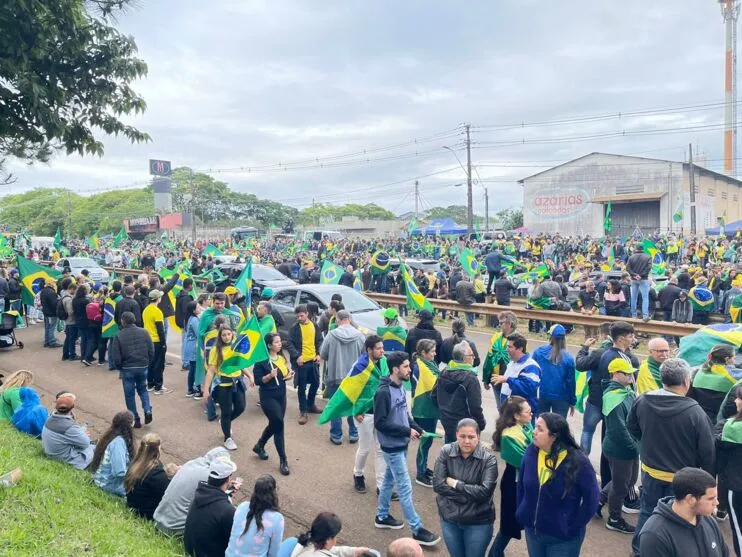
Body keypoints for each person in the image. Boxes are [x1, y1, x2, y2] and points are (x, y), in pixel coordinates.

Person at [628, 358, 717, 556]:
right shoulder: (695, 412)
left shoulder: (642, 400)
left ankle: (639, 550)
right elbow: (707, 452)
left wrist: (648, 445)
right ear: (686, 381)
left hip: (650, 472)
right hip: (682, 479)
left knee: (647, 511)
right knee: (680, 519)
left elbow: (632, 427)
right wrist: (709, 481)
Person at [374, 351, 440, 547]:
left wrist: (417, 428)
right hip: (392, 447)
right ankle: (417, 529)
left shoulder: (400, 387)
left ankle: (382, 516)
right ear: (395, 369)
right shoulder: (384, 392)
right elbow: (380, 423)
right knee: (404, 487)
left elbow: (404, 414)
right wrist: (406, 431)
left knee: (388, 481)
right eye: (405, 366)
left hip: (401, 444)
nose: (409, 369)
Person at [516, 413, 600, 557]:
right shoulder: (531, 452)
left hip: (562, 538)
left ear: (554, 436)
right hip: (533, 532)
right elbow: (521, 487)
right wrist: (523, 511)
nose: (534, 431)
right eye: (535, 427)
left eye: (540, 429)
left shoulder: (578, 461)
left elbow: (591, 499)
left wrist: (572, 527)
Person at [433, 418, 498, 557]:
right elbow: (438, 485)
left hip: (478, 522)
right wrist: (466, 497)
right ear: (456, 434)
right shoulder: (446, 451)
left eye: (471, 437)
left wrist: (456, 484)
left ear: (478, 437)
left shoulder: (489, 459)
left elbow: (485, 492)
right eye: (462, 436)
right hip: (450, 518)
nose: (467, 441)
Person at [638, 467, 730, 557]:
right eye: (711, 498)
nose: (717, 502)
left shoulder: (709, 521)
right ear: (690, 499)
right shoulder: (654, 536)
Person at [599, 358, 640, 535]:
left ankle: (598, 499)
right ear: (616, 374)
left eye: (632, 372)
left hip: (630, 448)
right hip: (620, 449)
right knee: (621, 486)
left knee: (628, 481)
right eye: (627, 373)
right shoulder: (613, 397)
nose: (632, 376)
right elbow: (618, 430)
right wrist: (634, 447)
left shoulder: (626, 390)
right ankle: (614, 519)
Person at [154, 447, 233, 536]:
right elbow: (217, 502)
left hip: (158, 519)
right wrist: (229, 491)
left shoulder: (191, 463)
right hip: (174, 528)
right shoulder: (209, 476)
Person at [490, 396, 533, 557]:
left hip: (523, 481)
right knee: (509, 525)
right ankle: (495, 554)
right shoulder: (509, 436)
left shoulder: (525, 426)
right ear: (516, 415)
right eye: (528, 411)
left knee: (524, 522)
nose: (531, 414)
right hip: (514, 484)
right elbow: (525, 462)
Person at [204, 325, 255, 451]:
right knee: (226, 411)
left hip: (237, 382)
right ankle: (227, 438)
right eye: (224, 335)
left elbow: (240, 364)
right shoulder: (216, 350)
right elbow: (211, 371)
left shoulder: (235, 347)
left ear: (232, 334)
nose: (227, 337)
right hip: (223, 385)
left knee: (241, 407)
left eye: (228, 334)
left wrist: (250, 375)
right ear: (220, 337)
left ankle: (225, 422)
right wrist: (206, 390)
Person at [320, 310, 365, 445]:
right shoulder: (360, 336)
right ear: (350, 319)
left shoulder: (331, 335)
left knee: (336, 406)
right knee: (352, 405)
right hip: (354, 378)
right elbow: (365, 356)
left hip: (335, 375)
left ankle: (336, 435)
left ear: (338, 320)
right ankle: (353, 433)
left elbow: (323, 354)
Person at [252, 332, 293, 476]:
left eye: (280, 341)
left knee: (275, 424)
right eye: (276, 342)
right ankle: (283, 460)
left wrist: (288, 376)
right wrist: (269, 376)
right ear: (269, 345)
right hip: (268, 397)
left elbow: (284, 376)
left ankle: (260, 445)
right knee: (279, 425)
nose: (279, 344)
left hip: (281, 395)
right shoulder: (262, 361)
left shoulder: (281, 358)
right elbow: (257, 380)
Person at [183, 455, 239, 557]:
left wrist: (227, 492)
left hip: (190, 549)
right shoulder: (228, 511)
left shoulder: (198, 495)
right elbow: (233, 541)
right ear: (228, 479)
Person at [226, 474, 293, 557]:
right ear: (273, 493)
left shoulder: (242, 506)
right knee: (292, 542)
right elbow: (274, 553)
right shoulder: (277, 519)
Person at [433, 341, 486, 443]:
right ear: (464, 358)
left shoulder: (444, 372)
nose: (474, 357)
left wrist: (444, 410)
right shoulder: (470, 378)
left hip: (446, 421)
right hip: (464, 425)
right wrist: (481, 424)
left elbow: (434, 396)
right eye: (472, 355)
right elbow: (474, 407)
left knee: (450, 451)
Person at [110, 311, 154, 428]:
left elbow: (116, 356)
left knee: (129, 395)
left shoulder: (118, 335)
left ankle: (135, 419)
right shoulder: (144, 332)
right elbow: (151, 350)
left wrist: (120, 368)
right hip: (142, 366)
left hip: (127, 368)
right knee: (143, 389)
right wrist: (147, 362)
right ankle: (147, 409)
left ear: (122, 322)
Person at [490, 333, 540, 423]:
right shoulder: (512, 363)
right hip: (510, 413)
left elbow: (528, 388)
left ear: (520, 349)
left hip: (521, 416)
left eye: (509, 347)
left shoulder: (531, 366)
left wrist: (508, 380)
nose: (506, 350)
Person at [410, 338, 440, 488]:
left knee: (428, 443)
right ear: (423, 352)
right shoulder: (418, 367)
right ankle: (420, 474)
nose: (435, 354)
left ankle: (424, 467)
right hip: (423, 410)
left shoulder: (430, 364)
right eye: (432, 351)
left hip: (431, 409)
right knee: (424, 442)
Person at [689, 344, 742, 425]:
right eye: (734, 358)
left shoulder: (698, 372)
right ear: (727, 359)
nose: (735, 361)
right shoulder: (732, 376)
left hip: (698, 416)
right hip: (719, 419)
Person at [287, 304, 322, 425]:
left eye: (301, 316)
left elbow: (319, 340)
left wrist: (318, 354)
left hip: (313, 362)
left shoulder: (314, 325)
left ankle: (311, 404)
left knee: (316, 383)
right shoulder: (294, 328)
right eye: (297, 317)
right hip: (302, 363)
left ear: (307, 314)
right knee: (302, 388)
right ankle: (303, 411)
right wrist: (297, 356)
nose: (299, 318)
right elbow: (289, 343)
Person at [41, 392, 94, 470]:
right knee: (96, 448)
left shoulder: (49, 419)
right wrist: (83, 435)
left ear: (56, 407)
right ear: (73, 407)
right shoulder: (69, 427)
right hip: (66, 460)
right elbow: (85, 444)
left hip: (53, 453)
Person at [125, 433, 172, 520]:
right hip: (146, 515)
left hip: (132, 506)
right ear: (158, 449)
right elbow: (167, 494)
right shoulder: (156, 474)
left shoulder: (134, 464)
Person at [533, 324, 576, 417]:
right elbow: (571, 382)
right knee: (558, 427)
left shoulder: (538, 352)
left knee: (542, 425)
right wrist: (572, 401)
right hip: (561, 397)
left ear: (550, 336)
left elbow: (532, 373)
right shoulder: (568, 358)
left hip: (542, 394)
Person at [91, 410, 135, 497]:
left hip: (103, 481)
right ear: (130, 425)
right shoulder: (118, 443)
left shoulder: (110, 436)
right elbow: (120, 472)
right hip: (108, 485)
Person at [291, 512, 373, 556]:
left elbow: (334, 550)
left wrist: (355, 551)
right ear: (328, 540)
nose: (336, 540)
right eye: (336, 537)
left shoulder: (310, 543)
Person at [482, 311, 517, 403]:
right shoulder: (496, 337)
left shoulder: (519, 339)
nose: (499, 325)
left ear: (509, 324)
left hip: (511, 381)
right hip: (496, 380)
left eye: (501, 323)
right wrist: (486, 379)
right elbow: (489, 359)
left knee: (511, 409)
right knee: (500, 408)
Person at [143, 289, 170, 394]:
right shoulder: (158, 312)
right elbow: (160, 330)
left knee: (150, 363)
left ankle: (150, 384)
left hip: (148, 340)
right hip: (157, 341)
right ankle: (158, 386)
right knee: (159, 365)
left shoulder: (146, 310)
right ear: (158, 299)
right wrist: (164, 344)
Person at [183, 301, 203, 398]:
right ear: (193, 310)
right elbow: (199, 333)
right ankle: (197, 391)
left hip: (189, 346)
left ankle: (190, 390)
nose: (200, 308)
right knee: (196, 369)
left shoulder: (189, 318)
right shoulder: (195, 320)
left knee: (192, 369)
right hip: (194, 347)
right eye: (198, 307)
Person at [627, 244, 652, 321]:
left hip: (634, 279)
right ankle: (645, 316)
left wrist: (634, 275)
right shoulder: (648, 257)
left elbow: (627, 268)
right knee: (645, 297)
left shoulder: (631, 257)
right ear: (643, 249)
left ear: (636, 249)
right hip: (643, 279)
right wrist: (641, 275)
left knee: (633, 297)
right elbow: (649, 267)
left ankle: (633, 315)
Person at [175, 277, 195, 370]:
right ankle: (186, 362)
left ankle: (185, 361)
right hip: (185, 322)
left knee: (185, 341)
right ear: (190, 285)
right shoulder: (186, 297)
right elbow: (186, 311)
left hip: (181, 321)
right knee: (186, 342)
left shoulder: (180, 295)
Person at [40, 277, 61, 348]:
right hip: (51, 313)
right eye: (53, 282)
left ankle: (47, 341)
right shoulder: (51, 292)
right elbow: (54, 304)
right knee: (52, 327)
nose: (55, 283)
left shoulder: (43, 291)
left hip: (46, 312)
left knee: (47, 327)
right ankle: (52, 342)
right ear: (50, 283)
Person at [61, 282, 79, 361]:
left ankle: (65, 354)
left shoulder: (64, 296)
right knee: (72, 339)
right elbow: (70, 312)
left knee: (68, 338)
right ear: (72, 289)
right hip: (71, 321)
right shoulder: (68, 299)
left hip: (67, 321)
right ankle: (72, 355)